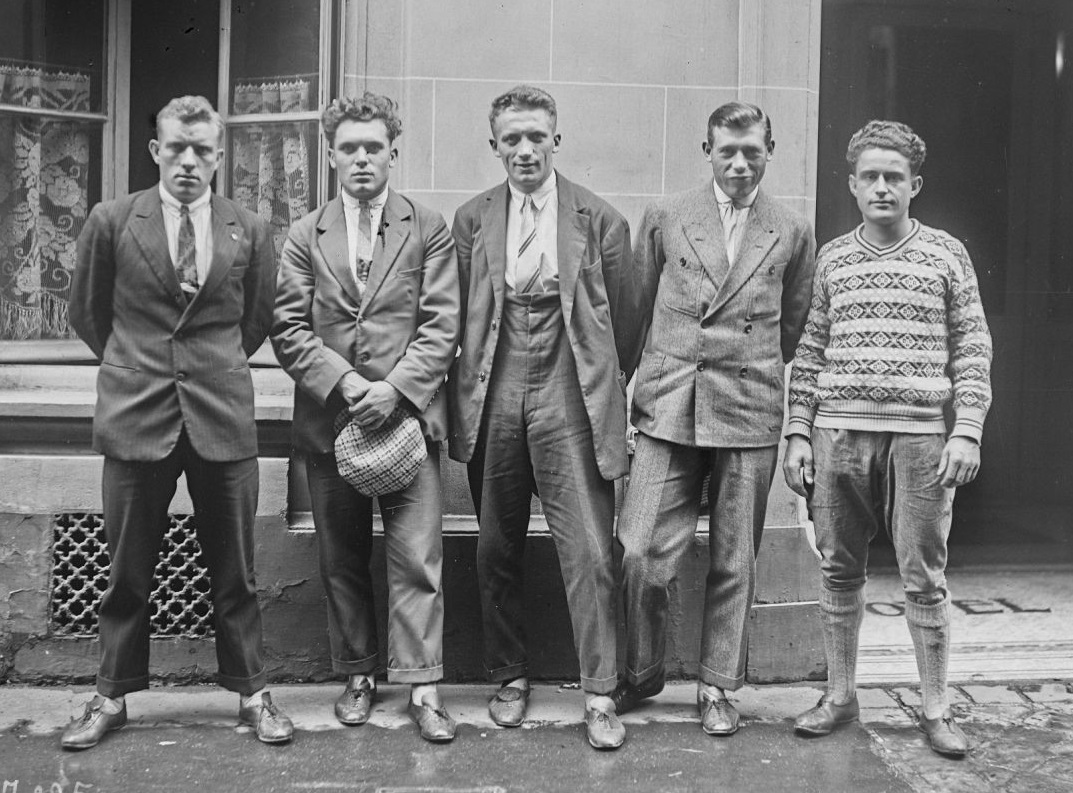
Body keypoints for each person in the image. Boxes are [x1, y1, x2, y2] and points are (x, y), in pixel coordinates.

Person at [64, 95, 292, 749]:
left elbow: (256, 319)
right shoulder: (112, 221)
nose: (188, 161)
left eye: (201, 150)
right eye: (176, 148)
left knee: (236, 568)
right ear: (155, 151)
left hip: (221, 413)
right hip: (136, 415)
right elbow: (88, 314)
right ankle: (110, 696)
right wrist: (137, 365)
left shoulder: (248, 227)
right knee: (126, 570)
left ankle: (253, 693)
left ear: (219, 156)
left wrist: (209, 364)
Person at [783, 120, 992, 758]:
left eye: (894, 177)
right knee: (839, 568)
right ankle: (839, 695)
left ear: (914, 186)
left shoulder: (946, 254)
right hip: (839, 433)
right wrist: (798, 432)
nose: (881, 187)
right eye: (870, 176)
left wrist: (967, 430)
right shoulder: (832, 258)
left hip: (921, 438)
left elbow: (973, 346)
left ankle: (935, 707)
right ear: (852, 185)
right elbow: (810, 350)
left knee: (923, 575)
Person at [614, 102, 816, 735]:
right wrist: (625, 391)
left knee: (736, 559)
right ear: (707, 151)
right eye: (727, 151)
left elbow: (793, 327)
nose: (739, 164)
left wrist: (752, 369)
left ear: (769, 151)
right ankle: (641, 672)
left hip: (748, 408)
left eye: (752, 151)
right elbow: (634, 311)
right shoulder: (666, 216)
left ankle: (717, 687)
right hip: (669, 405)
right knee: (639, 551)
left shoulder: (792, 230)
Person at [447, 85, 639, 750]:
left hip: (569, 381)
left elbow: (627, 321)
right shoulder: (471, 219)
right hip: (495, 379)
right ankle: (508, 674)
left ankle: (600, 691)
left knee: (589, 545)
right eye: (512, 139)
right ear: (494, 145)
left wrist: (591, 381)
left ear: (556, 139)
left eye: (536, 136)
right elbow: (459, 313)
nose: (524, 150)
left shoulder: (600, 218)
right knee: (495, 543)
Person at [271, 93, 460, 743]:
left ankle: (423, 685)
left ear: (392, 153)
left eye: (373, 147)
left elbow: (441, 324)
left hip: (406, 422)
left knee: (417, 556)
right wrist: (348, 382)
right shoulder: (306, 233)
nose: (361, 158)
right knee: (342, 555)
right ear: (330, 155)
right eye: (349, 147)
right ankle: (356, 673)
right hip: (331, 419)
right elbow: (288, 328)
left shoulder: (426, 226)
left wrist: (396, 389)